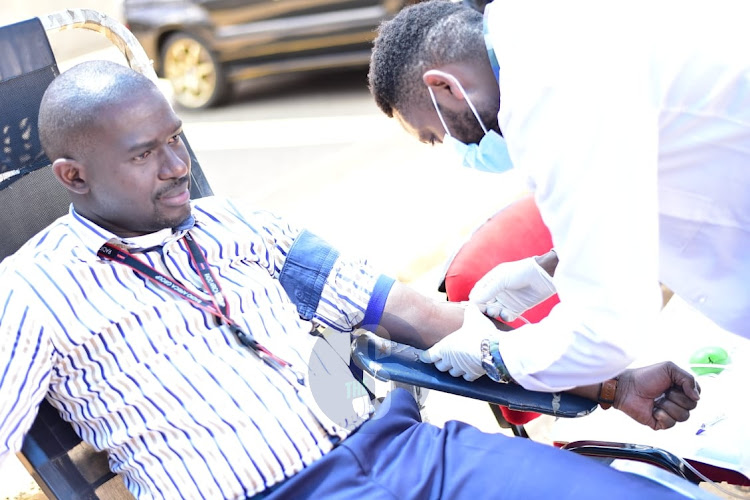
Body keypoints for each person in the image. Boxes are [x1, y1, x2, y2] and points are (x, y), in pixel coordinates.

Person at [0, 60, 701, 500]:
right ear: (74, 176)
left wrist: (609, 381)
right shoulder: (35, 293)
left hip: (409, 455)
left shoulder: (239, 226)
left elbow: (417, 317)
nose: (178, 165)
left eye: (176, 137)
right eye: (146, 153)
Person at [368, 0, 750, 393]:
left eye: (436, 134)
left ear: (444, 86)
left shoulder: (545, 99)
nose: (456, 147)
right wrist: (550, 269)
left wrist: (495, 355)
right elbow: (629, 177)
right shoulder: (548, 26)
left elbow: (608, 329)